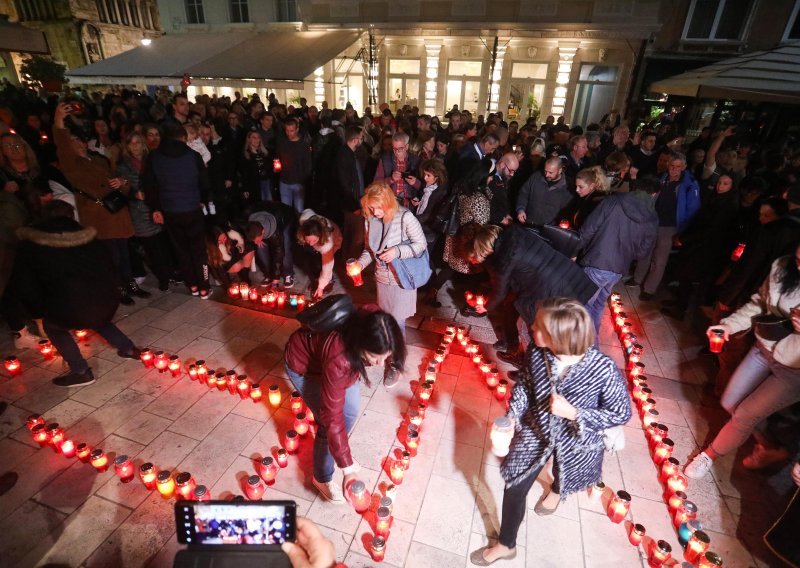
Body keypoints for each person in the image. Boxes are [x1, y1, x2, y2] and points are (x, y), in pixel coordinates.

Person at [469, 298, 631, 566]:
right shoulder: (537, 352)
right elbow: (525, 386)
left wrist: (576, 413)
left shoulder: (603, 369)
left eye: (539, 326)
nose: (532, 327)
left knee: (563, 469)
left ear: (559, 337)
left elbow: (621, 413)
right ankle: (506, 544)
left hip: (576, 438)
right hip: (538, 428)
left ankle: (557, 490)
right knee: (514, 484)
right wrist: (512, 416)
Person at [684, 246, 800, 479]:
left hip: (794, 367)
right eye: (799, 259)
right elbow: (759, 304)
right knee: (730, 401)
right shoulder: (782, 266)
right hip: (764, 346)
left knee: (745, 414)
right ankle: (770, 446)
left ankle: (709, 455)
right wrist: (730, 325)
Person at [14, 201, 141, 387]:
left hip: (66, 306)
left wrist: (37, 312)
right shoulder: (91, 238)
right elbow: (111, 266)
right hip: (103, 300)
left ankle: (81, 371)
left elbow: (26, 283)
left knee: (54, 328)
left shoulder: (31, 246)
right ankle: (129, 349)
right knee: (98, 318)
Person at [284, 305, 405, 501]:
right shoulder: (339, 358)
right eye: (375, 357)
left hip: (341, 366)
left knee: (349, 412)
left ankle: (339, 451)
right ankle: (321, 477)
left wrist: (343, 455)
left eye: (386, 356)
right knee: (327, 423)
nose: (381, 364)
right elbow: (332, 416)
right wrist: (347, 469)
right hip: (305, 367)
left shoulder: (374, 322)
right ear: (360, 344)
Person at [464, 224, 598, 365]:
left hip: (553, 291)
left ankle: (530, 366)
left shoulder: (504, 258)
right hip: (571, 278)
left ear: (484, 248)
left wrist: (486, 306)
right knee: (570, 330)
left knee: (530, 329)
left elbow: (500, 290)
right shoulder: (515, 232)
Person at [53, 102, 138, 305]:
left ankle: (131, 283)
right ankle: (118, 288)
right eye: (74, 142)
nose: (79, 144)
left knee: (124, 252)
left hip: (116, 211)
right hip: (98, 214)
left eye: (81, 141)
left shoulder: (97, 160)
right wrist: (58, 120)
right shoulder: (72, 165)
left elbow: (116, 178)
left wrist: (122, 182)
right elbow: (61, 144)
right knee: (112, 257)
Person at [355, 182, 427, 387]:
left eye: (378, 207)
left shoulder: (405, 217)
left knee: (396, 323)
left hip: (401, 279)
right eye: (370, 208)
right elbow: (369, 250)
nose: (375, 212)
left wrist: (397, 251)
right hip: (382, 280)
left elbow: (421, 245)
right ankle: (383, 352)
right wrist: (359, 265)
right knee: (384, 320)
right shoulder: (370, 219)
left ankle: (397, 363)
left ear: (388, 202)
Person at [578, 177, 659, 332]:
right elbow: (643, 253)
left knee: (583, 309)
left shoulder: (612, 201)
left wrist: (575, 250)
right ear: (654, 194)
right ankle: (591, 349)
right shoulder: (652, 218)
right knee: (596, 306)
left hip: (596, 262)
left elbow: (588, 228)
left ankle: (585, 350)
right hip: (617, 270)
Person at [142, 122, 213, 299]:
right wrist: (204, 200)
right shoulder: (193, 155)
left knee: (181, 250)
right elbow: (204, 183)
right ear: (183, 137)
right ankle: (204, 287)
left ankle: (193, 286)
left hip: (170, 211)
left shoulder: (154, 157)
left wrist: (155, 209)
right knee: (198, 250)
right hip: (192, 208)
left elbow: (149, 186)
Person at [628, 152, 700, 301]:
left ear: (684, 167)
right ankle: (637, 279)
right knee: (645, 252)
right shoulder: (663, 178)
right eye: (671, 166)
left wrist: (682, 231)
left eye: (677, 167)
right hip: (654, 221)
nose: (673, 169)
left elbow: (693, 209)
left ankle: (649, 289)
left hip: (670, 226)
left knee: (659, 259)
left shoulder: (689, 184)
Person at [297, 209, 342, 300]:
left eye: (313, 240)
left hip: (335, 239)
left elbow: (327, 266)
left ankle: (328, 283)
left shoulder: (327, 244)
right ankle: (316, 280)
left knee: (321, 264)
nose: (310, 243)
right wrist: (312, 243)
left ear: (320, 235)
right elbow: (308, 211)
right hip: (317, 241)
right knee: (308, 261)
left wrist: (321, 287)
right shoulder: (304, 221)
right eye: (308, 240)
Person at [515, 157, 571, 227]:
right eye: (545, 171)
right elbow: (523, 194)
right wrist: (521, 209)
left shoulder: (567, 188)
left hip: (548, 229)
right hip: (527, 223)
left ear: (560, 171)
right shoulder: (536, 177)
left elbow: (565, 212)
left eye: (551, 172)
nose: (547, 175)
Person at [373, 132, 421, 208]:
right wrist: (391, 179)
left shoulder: (416, 160)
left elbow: (425, 186)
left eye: (400, 148)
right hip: (390, 204)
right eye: (394, 148)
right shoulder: (385, 159)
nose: (397, 152)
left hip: (409, 205)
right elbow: (376, 184)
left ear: (407, 146)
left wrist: (416, 183)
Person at [277, 117, 312, 213]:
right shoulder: (282, 143)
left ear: (297, 129)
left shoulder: (304, 145)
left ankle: (298, 227)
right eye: (287, 130)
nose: (289, 133)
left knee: (298, 210)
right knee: (286, 211)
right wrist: (277, 166)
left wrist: (303, 179)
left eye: (291, 131)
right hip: (284, 181)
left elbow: (308, 165)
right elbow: (277, 158)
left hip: (298, 183)